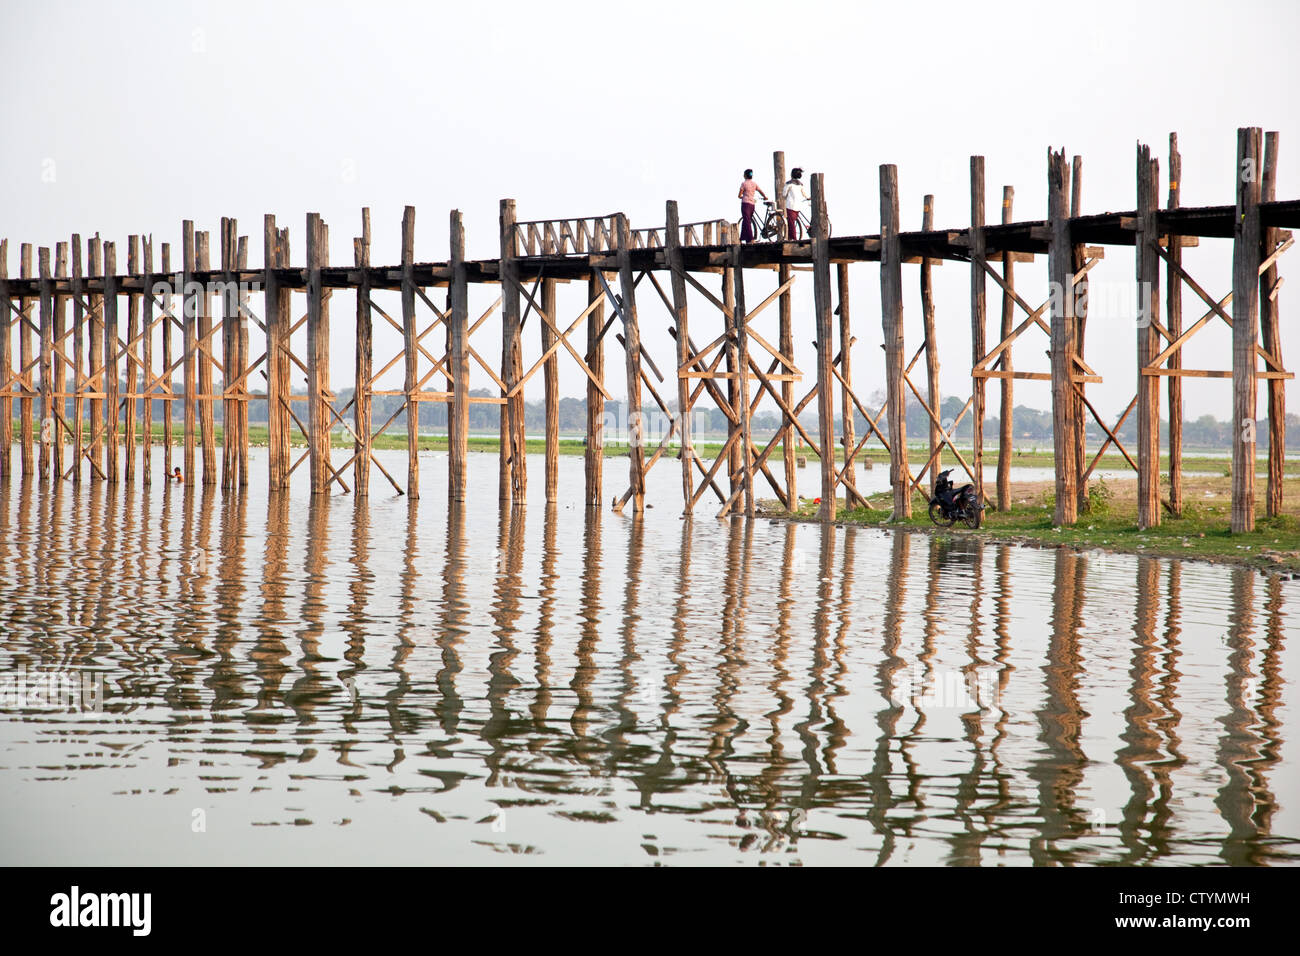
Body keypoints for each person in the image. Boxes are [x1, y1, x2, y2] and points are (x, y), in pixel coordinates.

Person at [737, 169, 769, 243]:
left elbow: (739, 195)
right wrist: (765, 196)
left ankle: (750, 239)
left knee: (747, 221)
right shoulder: (754, 184)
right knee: (747, 221)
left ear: (745, 175)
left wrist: (742, 196)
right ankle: (742, 237)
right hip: (752, 205)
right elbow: (760, 191)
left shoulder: (744, 183)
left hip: (745, 204)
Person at [783, 168, 810, 239]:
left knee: (791, 224)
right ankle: (790, 237)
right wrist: (808, 197)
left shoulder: (788, 183)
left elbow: (784, 194)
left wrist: (785, 197)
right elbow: (804, 194)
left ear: (791, 174)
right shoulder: (800, 184)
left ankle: (794, 238)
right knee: (793, 222)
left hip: (790, 206)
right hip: (798, 206)